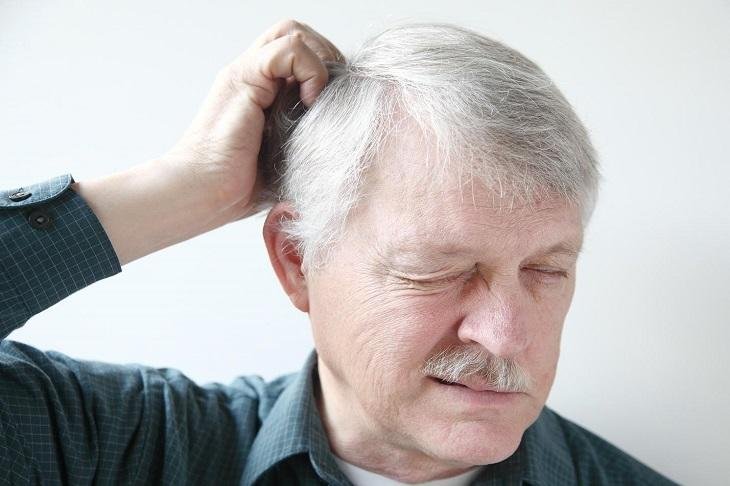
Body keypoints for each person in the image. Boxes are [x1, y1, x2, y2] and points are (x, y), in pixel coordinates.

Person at [0, 19, 676, 485]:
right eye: (438, 269)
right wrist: (190, 185)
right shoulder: (117, 449)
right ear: (298, 262)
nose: (506, 336)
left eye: (546, 270)